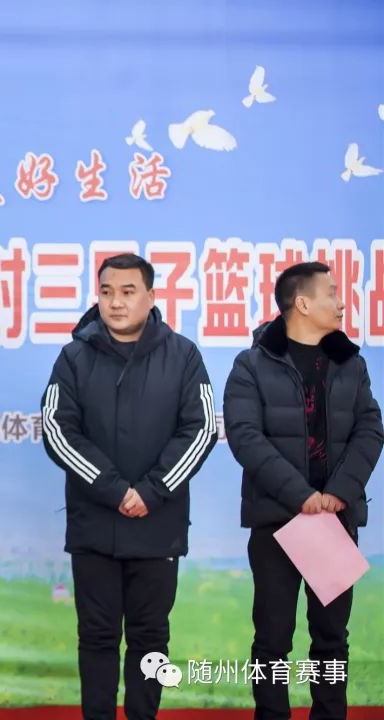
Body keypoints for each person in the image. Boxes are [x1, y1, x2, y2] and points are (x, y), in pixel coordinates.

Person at [40, 254, 217, 720]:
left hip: (158, 525)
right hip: (95, 525)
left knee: (150, 639)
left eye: (127, 291)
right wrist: (114, 490)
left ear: (151, 297)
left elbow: (200, 430)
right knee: (97, 638)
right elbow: (58, 430)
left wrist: (152, 491)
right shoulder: (74, 357)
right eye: (106, 292)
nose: (116, 302)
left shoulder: (183, 356)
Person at [223, 261, 382, 720]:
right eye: (332, 292)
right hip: (277, 520)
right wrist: (301, 496)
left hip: (334, 519)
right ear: (303, 303)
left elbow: (370, 428)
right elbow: (246, 437)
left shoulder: (350, 363)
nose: (342, 302)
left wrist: (339, 493)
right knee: (272, 639)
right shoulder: (252, 364)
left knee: (331, 638)